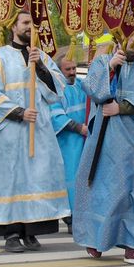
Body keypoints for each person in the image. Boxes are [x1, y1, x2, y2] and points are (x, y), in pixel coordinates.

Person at [0, 10, 69, 252]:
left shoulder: (42, 57)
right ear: (13, 27)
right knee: (12, 182)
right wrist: (18, 112)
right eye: (26, 23)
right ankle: (12, 233)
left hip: (39, 132)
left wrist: (40, 69)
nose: (31, 28)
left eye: (33, 24)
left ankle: (31, 232)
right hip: (9, 132)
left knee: (37, 180)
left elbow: (57, 91)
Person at [73, 35, 134, 264]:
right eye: (130, 38)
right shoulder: (102, 61)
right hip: (107, 141)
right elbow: (92, 89)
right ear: (119, 38)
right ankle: (97, 238)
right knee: (106, 189)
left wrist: (121, 107)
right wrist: (111, 67)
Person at [51, 53, 89, 235]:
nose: (73, 72)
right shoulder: (56, 89)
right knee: (71, 179)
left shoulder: (83, 85)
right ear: (59, 71)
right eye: (68, 69)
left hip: (87, 138)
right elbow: (56, 116)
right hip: (68, 142)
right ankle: (71, 218)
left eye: (74, 68)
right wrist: (78, 128)